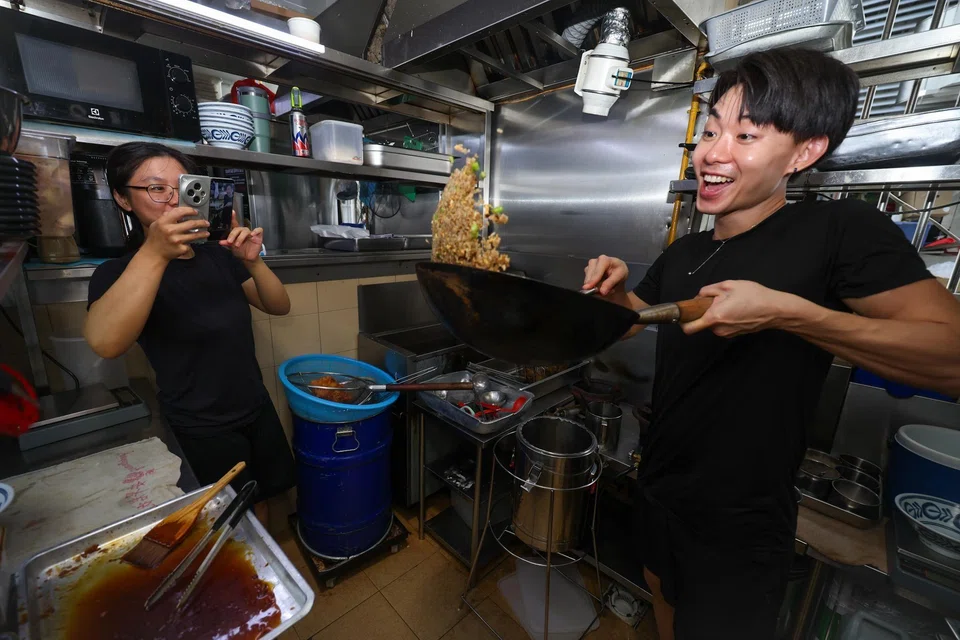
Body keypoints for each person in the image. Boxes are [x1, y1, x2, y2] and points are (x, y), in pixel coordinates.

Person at [583, 49, 960, 639]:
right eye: (710, 132)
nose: (712, 152)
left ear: (805, 151)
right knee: (662, 605)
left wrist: (790, 315)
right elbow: (638, 317)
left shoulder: (839, 232)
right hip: (658, 488)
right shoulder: (687, 249)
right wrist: (617, 298)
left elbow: (953, 356)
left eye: (746, 135)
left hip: (741, 524)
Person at [84, 142, 295, 524]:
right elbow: (105, 342)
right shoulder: (118, 273)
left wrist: (254, 263)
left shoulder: (216, 256)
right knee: (234, 519)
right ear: (123, 198)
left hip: (255, 406)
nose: (172, 199)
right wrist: (155, 253)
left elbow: (279, 306)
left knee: (266, 498)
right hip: (201, 426)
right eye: (155, 188)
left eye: (181, 186)